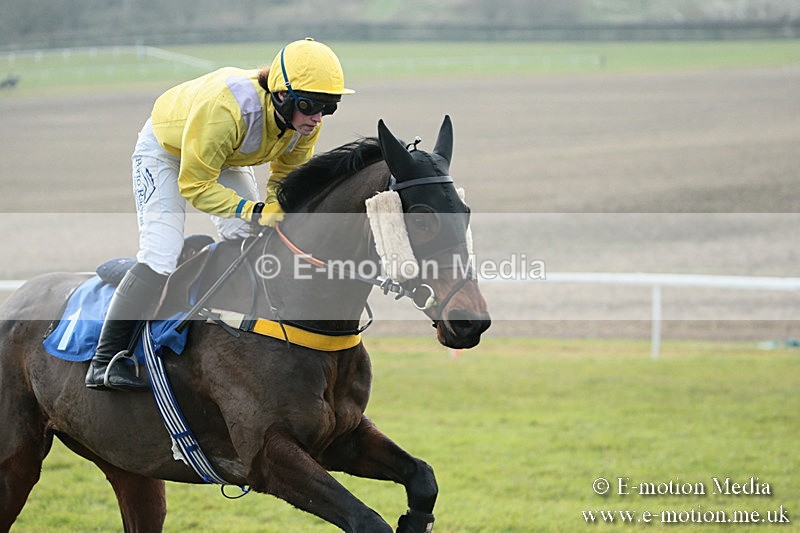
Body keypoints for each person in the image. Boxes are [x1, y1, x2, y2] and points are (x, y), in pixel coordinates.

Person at [85, 38, 354, 391]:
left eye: (328, 107)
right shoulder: (225, 109)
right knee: (161, 253)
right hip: (167, 151)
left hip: (227, 153)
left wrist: (272, 205)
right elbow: (195, 184)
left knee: (254, 238)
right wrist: (252, 209)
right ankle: (105, 360)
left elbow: (286, 176)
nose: (318, 118)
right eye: (310, 105)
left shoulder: (304, 124)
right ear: (281, 96)